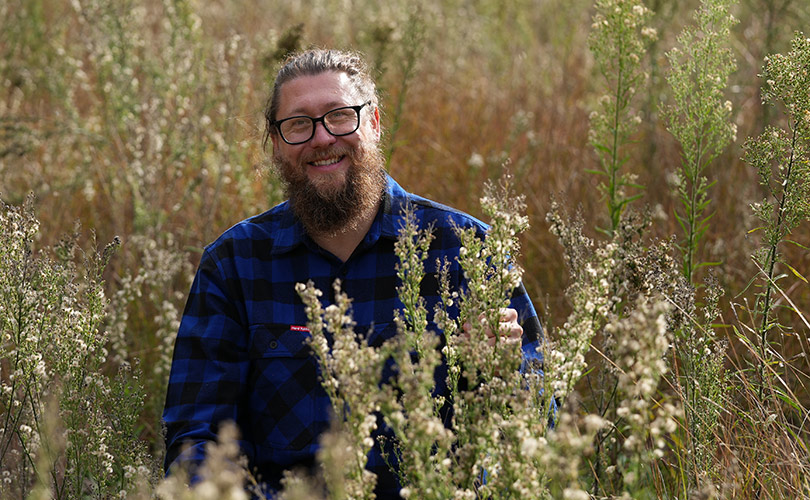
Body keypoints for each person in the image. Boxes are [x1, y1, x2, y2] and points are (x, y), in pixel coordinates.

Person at [162, 48, 542, 498]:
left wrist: (502, 372)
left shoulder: (466, 250)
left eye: (340, 116)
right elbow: (195, 439)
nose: (322, 139)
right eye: (298, 124)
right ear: (275, 143)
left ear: (374, 123)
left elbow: (538, 423)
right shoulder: (234, 265)